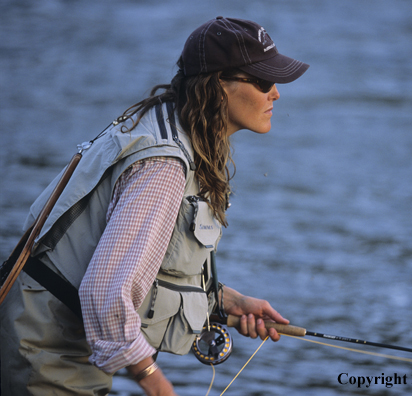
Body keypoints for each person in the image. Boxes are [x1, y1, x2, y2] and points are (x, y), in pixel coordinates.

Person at [0, 16, 309, 396]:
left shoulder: (167, 122)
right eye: (263, 82)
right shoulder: (162, 166)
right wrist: (158, 385)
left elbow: (133, 267)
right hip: (47, 356)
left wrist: (227, 302)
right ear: (219, 86)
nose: (276, 93)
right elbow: (105, 294)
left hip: (49, 344)